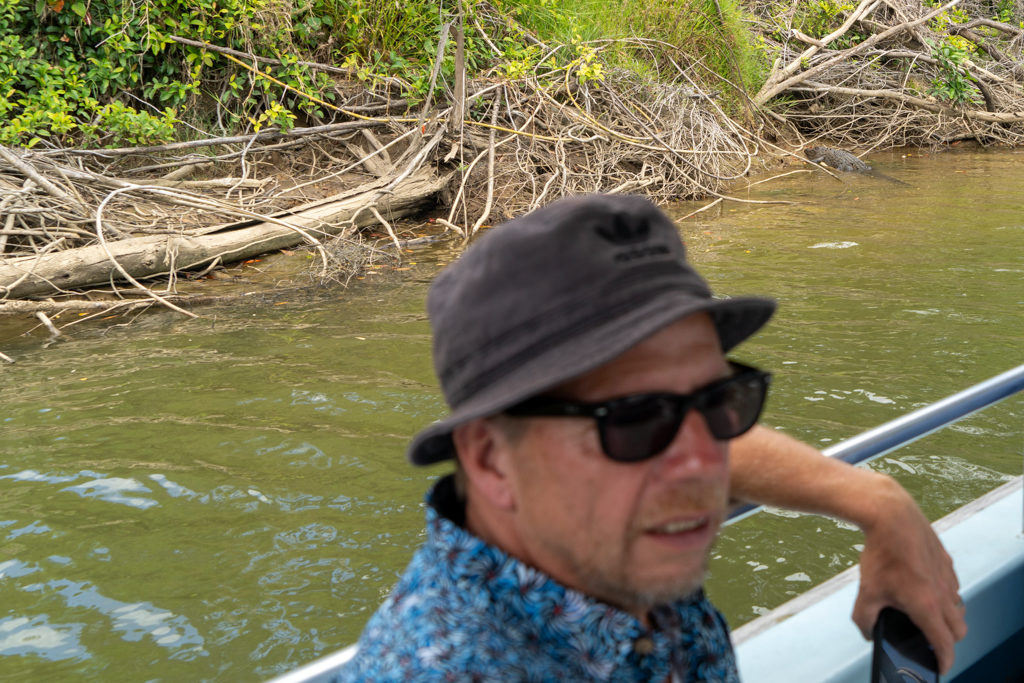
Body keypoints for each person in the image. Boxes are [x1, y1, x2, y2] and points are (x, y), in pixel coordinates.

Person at [336, 194, 965, 681]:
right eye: (637, 418)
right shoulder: (447, 666)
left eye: (720, 400)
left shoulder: (607, 538)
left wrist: (879, 502)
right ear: (491, 459)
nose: (702, 465)